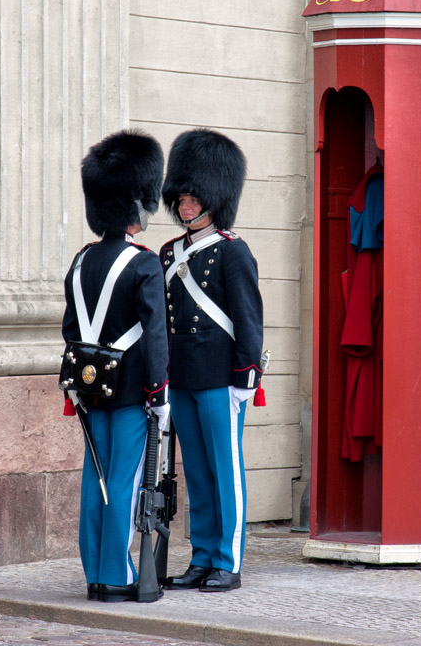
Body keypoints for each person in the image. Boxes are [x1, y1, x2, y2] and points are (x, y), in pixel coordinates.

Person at [62, 130, 170, 603]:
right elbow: (156, 336)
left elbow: (70, 329)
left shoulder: (81, 260)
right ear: (135, 207)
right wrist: (159, 391)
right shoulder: (144, 264)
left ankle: (93, 575)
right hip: (130, 391)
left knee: (95, 480)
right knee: (123, 482)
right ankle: (117, 576)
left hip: (89, 389)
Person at [157, 128, 265, 593]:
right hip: (182, 376)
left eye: (193, 198)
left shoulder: (232, 251)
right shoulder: (168, 253)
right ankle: (201, 557)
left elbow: (248, 317)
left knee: (226, 470)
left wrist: (247, 374)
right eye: (180, 197)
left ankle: (228, 559)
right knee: (197, 474)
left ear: (213, 199)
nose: (184, 206)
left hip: (222, 378)